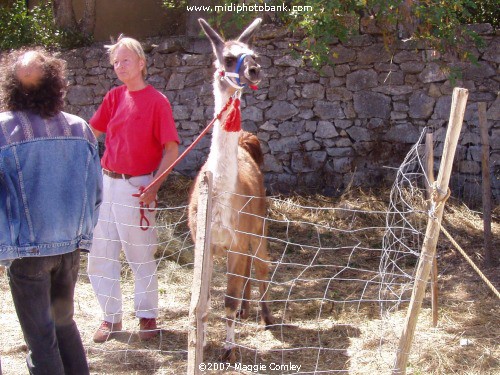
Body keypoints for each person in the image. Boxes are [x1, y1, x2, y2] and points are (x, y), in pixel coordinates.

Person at [0, 48, 102, 375]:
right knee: (64, 324)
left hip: (28, 252)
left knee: (41, 340)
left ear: (10, 87)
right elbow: (95, 193)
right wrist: (80, 236)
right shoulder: (80, 129)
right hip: (69, 249)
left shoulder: (3, 130)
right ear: (56, 84)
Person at [87, 35, 179, 343]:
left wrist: (155, 184)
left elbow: (170, 149)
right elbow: (91, 134)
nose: (119, 66)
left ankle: (147, 316)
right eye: (115, 62)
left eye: (125, 60)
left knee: (140, 254)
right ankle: (111, 319)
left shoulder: (157, 101)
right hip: (105, 183)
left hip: (137, 186)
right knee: (101, 253)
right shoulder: (113, 97)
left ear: (141, 63)